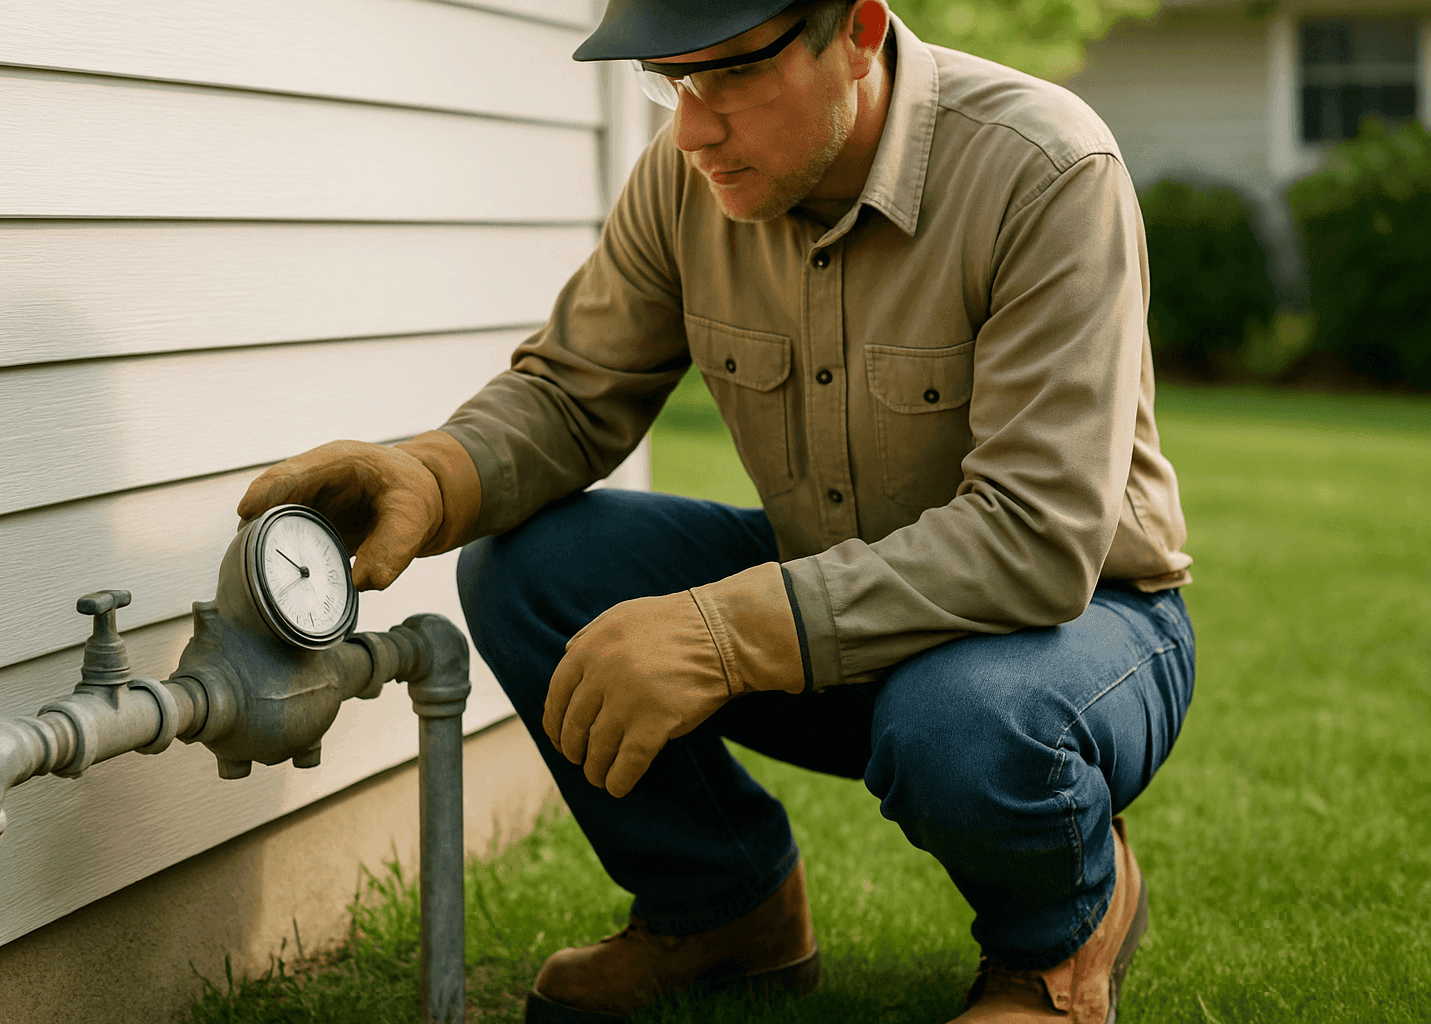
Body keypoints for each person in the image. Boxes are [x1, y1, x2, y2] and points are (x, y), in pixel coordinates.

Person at [237, 1, 1196, 1020]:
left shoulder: (1045, 170)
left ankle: (1053, 950)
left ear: (861, 29)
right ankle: (724, 910)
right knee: (532, 569)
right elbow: (571, 394)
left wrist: (721, 636)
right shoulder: (686, 175)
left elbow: (1034, 538)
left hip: (1077, 627)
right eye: (671, 81)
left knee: (961, 721)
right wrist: (430, 474)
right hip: (834, 605)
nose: (692, 128)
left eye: (730, 75)